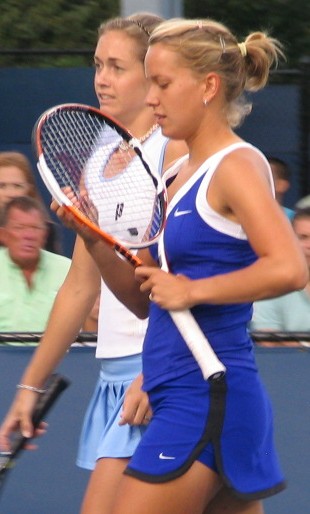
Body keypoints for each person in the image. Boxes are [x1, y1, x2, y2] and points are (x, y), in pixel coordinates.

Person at [48, 18, 308, 514]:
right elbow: (141, 298)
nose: (151, 99)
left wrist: (192, 292)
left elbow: (290, 268)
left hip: (206, 398)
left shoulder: (238, 165)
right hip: (191, 399)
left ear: (208, 86)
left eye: (163, 84)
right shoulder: (171, 177)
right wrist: (94, 237)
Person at [0, 13, 187, 514]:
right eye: (97, 64)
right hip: (115, 377)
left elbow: (191, 274)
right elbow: (80, 288)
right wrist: (29, 387)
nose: (101, 78)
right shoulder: (99, 155)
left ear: (153, 76)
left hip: (160, 377)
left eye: (117, 67)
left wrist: (157, 370)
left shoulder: (176, 151)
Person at [0, 196, 71, 331]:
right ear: (3, 235)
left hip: (59, 351)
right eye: (19, 228)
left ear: (45, 234)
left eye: (35, 228)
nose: (29, 236)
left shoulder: (68, 271)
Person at [251, 207, 310, 346]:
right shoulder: (272, 285)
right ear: (290, 241)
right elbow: (268, 342)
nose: (309, 245)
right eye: (303, 237)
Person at [0, 151, 62, 253]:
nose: (10, 193)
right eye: (2, 186)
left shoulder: (47, 230)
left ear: (29, 189)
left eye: (17, 186)